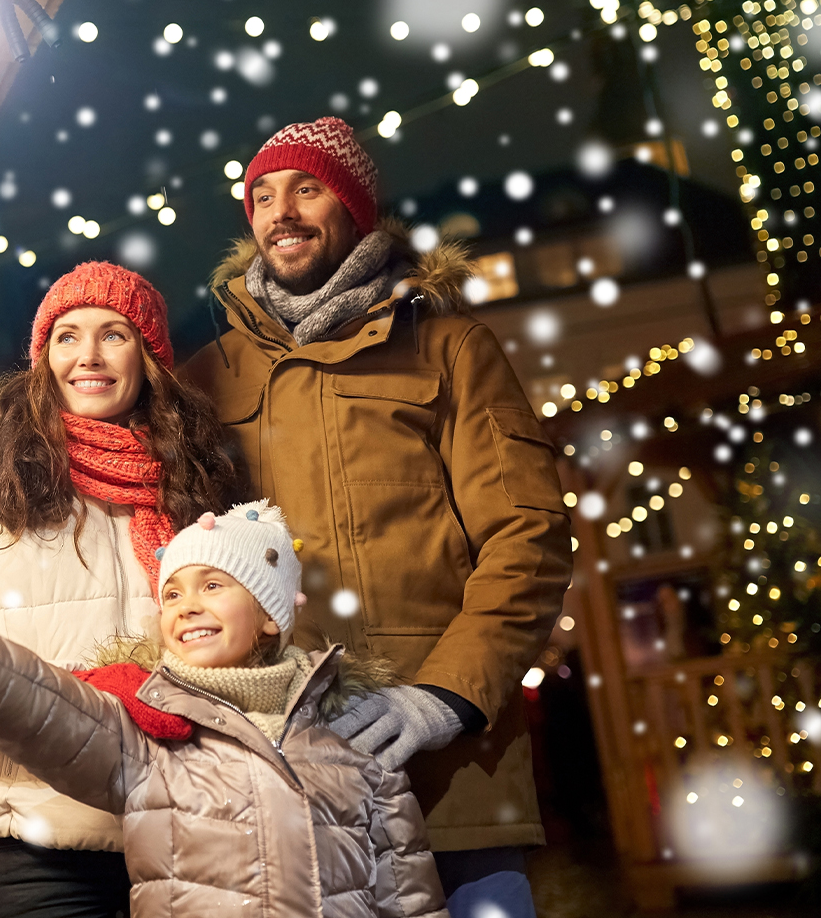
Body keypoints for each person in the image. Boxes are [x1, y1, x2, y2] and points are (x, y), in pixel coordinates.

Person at [181, 117, 573, 918]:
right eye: (261, 195)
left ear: (355, 208)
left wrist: (443, 698)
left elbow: (527, 535)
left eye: (306, 188)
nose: (279, 211)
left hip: (449, 775)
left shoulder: (449, 348)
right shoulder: (205, 378)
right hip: (286, 777)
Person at [0, 500, 450, 918]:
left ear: (270, 616)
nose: (187, 606)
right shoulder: (154, 735)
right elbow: (45, 707)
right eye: (172, 593)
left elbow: (409, 894)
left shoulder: (352, 742)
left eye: (214, 586)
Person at [0, 261, 243, 917]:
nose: (89, 355)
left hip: (190, 835)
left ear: (148, 357)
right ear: (43, 358)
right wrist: (73, 713)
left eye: (114, 334)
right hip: (42, 847)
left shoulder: (196, 486)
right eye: (67, 335)